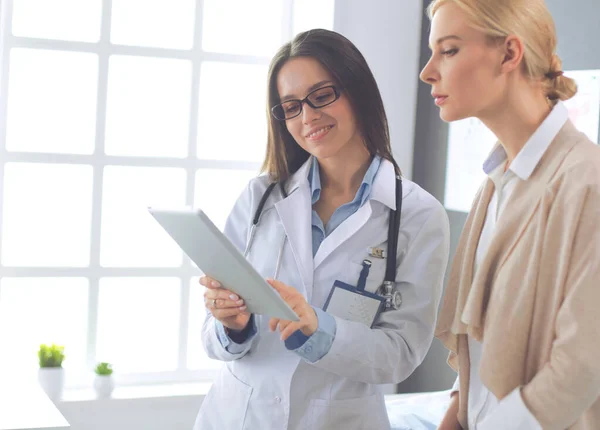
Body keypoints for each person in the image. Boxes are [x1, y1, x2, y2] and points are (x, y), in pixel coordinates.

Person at [193, 29, 450, 430]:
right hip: (239, 416)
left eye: (322, 95)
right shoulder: (260, 197)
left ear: (357, 91)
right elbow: (212, 337)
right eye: (291, 106)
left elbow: (400, 354)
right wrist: (232, 324)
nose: (308, 116)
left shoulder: (417, 216)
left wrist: (318, 328)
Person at [420, 1, 600, 429]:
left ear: (508, 54)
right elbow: (485, 339)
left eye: (448, 50)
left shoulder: (586, 182)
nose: (428, 71)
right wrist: (456, 413)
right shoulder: (494, 186)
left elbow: (583, 365)